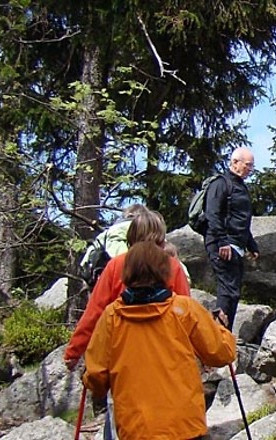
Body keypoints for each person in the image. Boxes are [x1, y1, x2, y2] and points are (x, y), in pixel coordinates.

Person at [82, 241, 237, 440]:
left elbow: (96, 377)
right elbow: (221, 353)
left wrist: (88, 378)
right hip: (185, 426)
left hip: (136, 429)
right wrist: (222, 330)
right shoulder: (184, 310)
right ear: (165, 270)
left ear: (127, 272)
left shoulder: (112, 316)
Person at [64, 210, 193, 369]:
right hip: (164, 353)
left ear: (130, 237)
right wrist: (199, 352)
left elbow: (95, 312)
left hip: (123, 352)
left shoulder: (115, 265)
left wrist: (74, 351)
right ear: (160, 240)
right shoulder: (172, 266)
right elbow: (187, 313)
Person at [204, 147, 260, 330]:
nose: (250, 169)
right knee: (228, 291)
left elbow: (240, 220)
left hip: (236, 245)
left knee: (233, 293)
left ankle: (224, 334)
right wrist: (222, 241)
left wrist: (252, 245)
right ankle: (218, 335)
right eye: (248, 165)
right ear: (235, 162)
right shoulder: (220, 184)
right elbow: (212, 214)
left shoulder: (241, 187)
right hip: (222, 245)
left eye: (252, 166)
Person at [79, 204, 151, 287]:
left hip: (92, 272)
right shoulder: (126, 227)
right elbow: (119, 255)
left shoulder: (109, 231)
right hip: (114, 274)